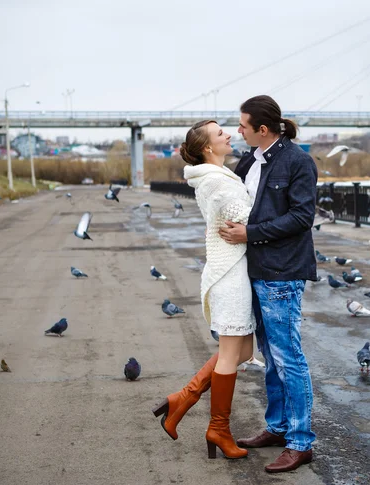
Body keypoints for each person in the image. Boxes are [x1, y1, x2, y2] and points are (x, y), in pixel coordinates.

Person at [219, 95, 318, 473]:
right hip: (255, 270)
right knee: (271, 357)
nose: (237, 130)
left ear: (262, 129)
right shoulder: (251, 160)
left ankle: (300, 441)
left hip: (283, 272)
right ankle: (278, 428)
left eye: (242, 125)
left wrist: (250, 233)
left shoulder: (297, 161)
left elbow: (301, 217)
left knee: (289, 357)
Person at [153, 120, 255, 460]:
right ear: (209, 148)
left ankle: (183, 398)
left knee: (242, 352)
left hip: (234, 272)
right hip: (230, 276)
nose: (228, 134)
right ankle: (218, 429)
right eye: (220, 133)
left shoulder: (218, 175)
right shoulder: (214, 180)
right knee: (231, 355)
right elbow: (247, 217)